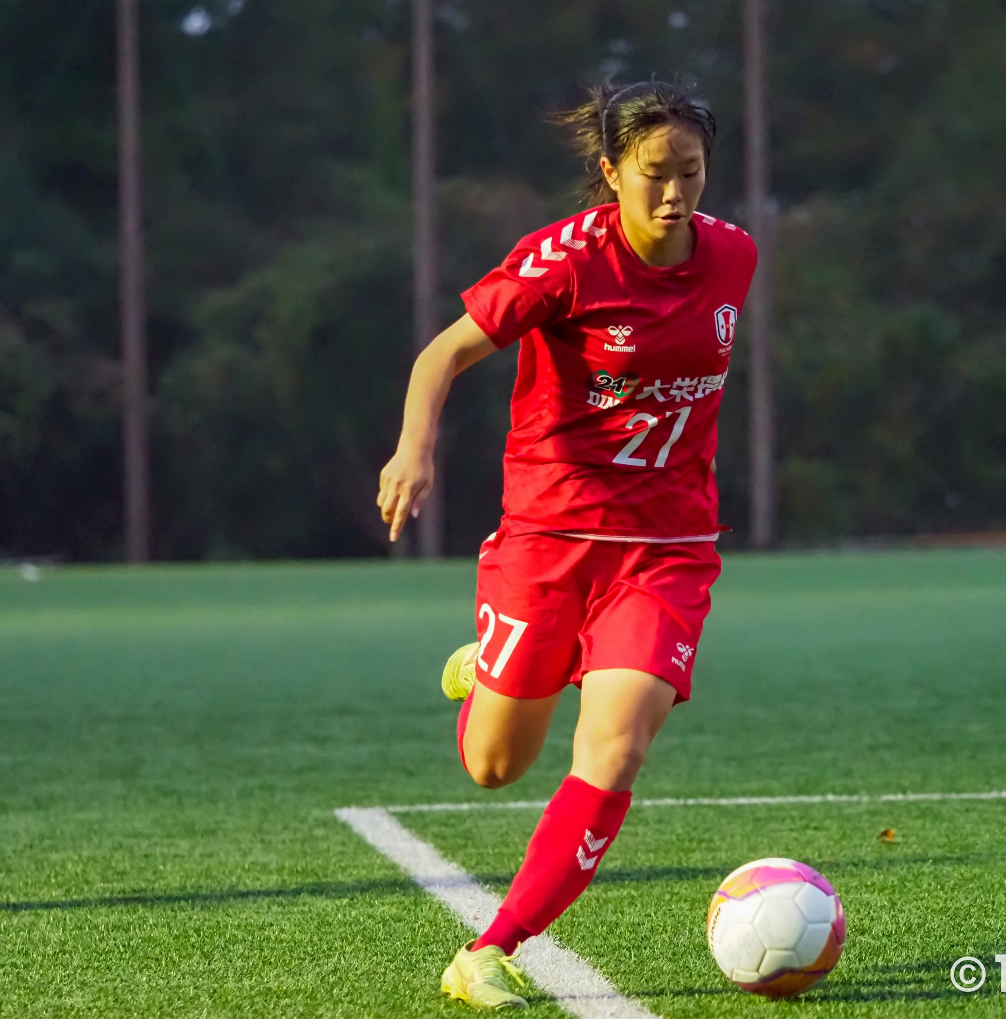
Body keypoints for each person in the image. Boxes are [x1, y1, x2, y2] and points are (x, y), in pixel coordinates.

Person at [376, 81, 756, 1009]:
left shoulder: (735, 255)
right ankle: (487, 666)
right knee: (494, 765)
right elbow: (442, 354)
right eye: (655, 173)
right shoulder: (566, 262)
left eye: (692, 172)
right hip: (550, 536)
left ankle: (491, 947)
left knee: (616, 746)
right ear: (611, 171)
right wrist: (414, 448)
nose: (676, 192)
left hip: (666, 545)